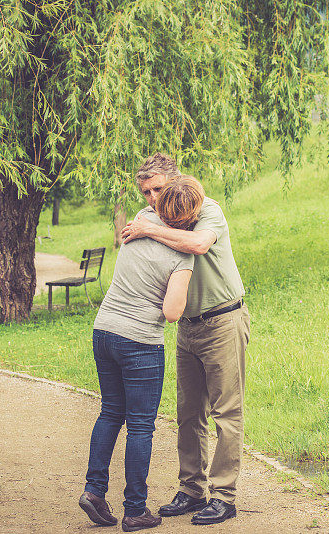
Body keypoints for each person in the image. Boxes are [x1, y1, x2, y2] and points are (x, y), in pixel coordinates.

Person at [121, 153, 250, 526]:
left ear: (177, 183)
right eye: (146, 192)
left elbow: (198, 245)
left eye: (158, 189)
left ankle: (223, 496)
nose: (152, 198)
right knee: (188, 412)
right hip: (187, 326)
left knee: (226, 411)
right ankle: (192, 489)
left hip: (223, 320)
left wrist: (150, 229)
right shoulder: (151, 217)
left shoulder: (209, 209)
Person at [79, 176, 205, 532]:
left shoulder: (140, 222)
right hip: (140, 342)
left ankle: (94, 491)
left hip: (104, 330)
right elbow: (172, 312)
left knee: (109, 413)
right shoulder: (182, 256)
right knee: (139, 426)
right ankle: (135, 511)